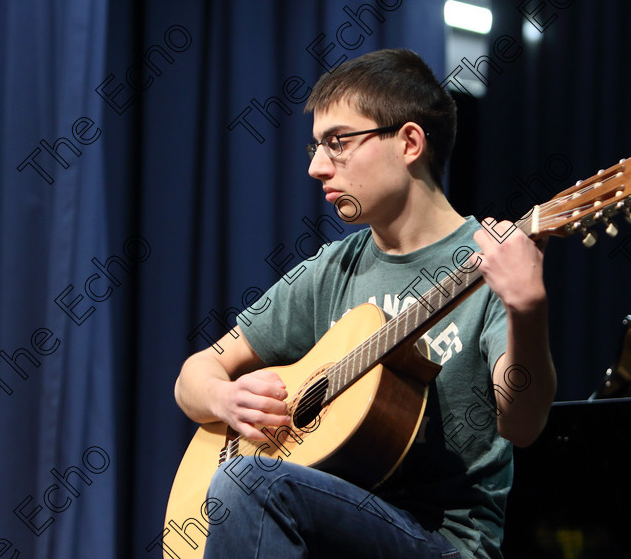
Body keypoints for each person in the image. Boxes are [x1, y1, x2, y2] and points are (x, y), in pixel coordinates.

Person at [174, 48, 556, 559]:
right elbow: (195, 374)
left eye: (338, 143)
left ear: (409, 142)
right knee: (245, 478)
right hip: (327, 531)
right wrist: (225, 400)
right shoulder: (332, 268)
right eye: (315, 147)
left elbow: (523, 424)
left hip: (443, 545)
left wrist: (526, 309)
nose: (315, 167)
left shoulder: (491, 263)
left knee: (249, 481)